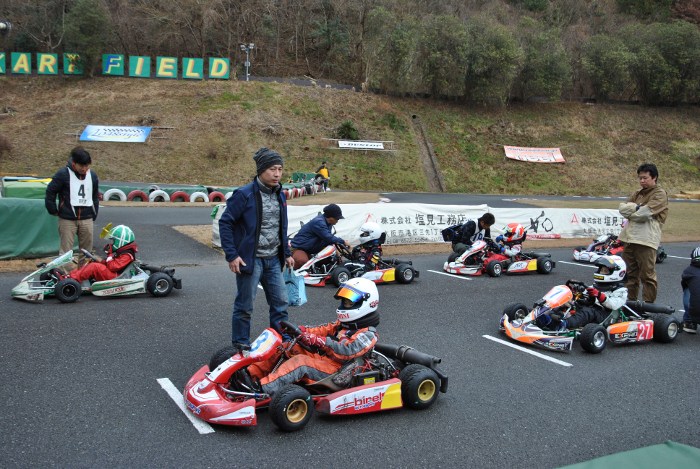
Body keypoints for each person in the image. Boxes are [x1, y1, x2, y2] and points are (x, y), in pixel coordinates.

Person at [247, 277, 379, 395]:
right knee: (287, 347)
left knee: (300, 363)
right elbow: (322, 330)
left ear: (367, 303)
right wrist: (303, 331)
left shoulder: (368, 335)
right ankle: (250, 374)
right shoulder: (344, 324)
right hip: (325, 360)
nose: (344, 305)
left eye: (349, 303)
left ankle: (261, 389)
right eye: (344, 302)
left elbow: (347, 351)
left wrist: (320, 341)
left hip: (340, 372)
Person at [219, 147, 295, 350]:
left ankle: (280, 342)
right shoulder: (244, 194)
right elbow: (225, 223)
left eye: (280, 169)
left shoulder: (280, 194)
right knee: (245, 306)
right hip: (250, 259)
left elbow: (281, 226)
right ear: (261, 170)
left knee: (281, 303)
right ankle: (241, 344)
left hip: (274, 259)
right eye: (272, 169)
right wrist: (232, 255)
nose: (277, 174)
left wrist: (287, 253)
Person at [618, 163, 668, 303]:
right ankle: (629, 303)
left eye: (645, 178)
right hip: (629, 238)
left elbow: (644, 214)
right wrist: (637, 208)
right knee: (629, 274)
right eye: (640, 178)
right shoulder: (637, 193)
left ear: (654, 177)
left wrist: (633, 210)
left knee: (647, 275)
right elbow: (622, 209)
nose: (642, 181)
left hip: (646, 240)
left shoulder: (659, 194)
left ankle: (648, 305)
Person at [538, 255, 628, 331]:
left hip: (604, 314)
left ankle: (565, 324)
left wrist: (599, 295)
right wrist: (576, 293)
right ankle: (547, 317)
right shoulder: (596, 286)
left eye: (605, 271)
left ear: (617, 273)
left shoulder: (621, 291)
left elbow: (613, 305)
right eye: (601, 270)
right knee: (568, 304)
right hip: (589, 308)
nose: (601, 272)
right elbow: (585, 297)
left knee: (587, 312)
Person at [45, 146, 100, 267]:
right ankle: (66, 276)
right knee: (65, 253)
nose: (84, 169)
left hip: (87, 218)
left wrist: (94, 213)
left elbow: (95, 196)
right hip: (67, 219)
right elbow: (50, 191)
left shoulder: (92, 176)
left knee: (87, 252)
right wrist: (52, 209)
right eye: (81, 166)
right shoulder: (63, 174)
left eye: (87, 166)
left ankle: (84, 274)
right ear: (74, 163)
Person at [60, 225, 138, 283]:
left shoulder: (127, 255)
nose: (111, 244)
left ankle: (72, 279)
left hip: (116, 277)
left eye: (113, 241)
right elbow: (111, 264)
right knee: (93, 262)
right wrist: (100, 260)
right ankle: (69, 276)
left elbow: (113, 267)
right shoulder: (122, 252)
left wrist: (110, 254)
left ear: (121, 240)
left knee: (94, 266)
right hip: (114, 273)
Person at [291, 204, 349, 268]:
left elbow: (329, 241)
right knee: (302, 261)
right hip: (299, 248)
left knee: (331, 258)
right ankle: (294, 272)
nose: (338, 220)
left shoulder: (328, 224)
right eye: (337, 218)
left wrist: (337, 253)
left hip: (310, 249)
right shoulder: (319, 222)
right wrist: (343, 241)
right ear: (331, 217)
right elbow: (328, 237)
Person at [681, 247, 700, 334]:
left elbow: (684, 285)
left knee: (688, 288)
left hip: (696, 313)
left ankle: (689, 322)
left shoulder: (688, 271)